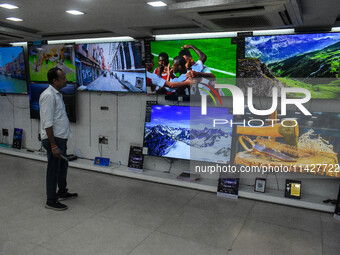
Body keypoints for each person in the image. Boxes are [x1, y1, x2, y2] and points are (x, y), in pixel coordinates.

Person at [40, 67, 78, 211]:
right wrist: (53, 145)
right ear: (55, 81)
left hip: (60, 137)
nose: (66, 79)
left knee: (62, 167)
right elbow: (47, 123)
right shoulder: (48, 96)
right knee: (53, 170)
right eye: (63, 77)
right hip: (53, 139)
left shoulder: (57, 94)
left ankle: (62, 192)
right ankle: (51, 200)